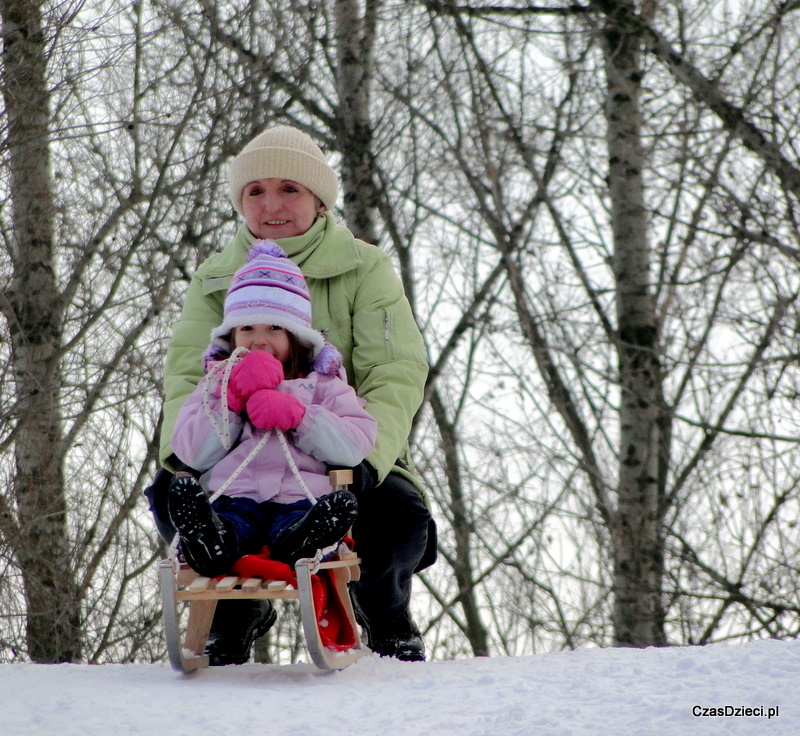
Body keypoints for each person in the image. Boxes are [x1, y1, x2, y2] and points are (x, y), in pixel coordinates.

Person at [146, 125, 436, 664]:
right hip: (236, 451)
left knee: (396, 515)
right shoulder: (216, 278)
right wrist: (185, 457)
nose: (272, 204)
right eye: (255, 191)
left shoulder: (363, 267)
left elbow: (394, 372)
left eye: (289, 189)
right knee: (172, 495)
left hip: (338, 440)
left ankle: (383, 607)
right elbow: (187, 377)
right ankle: (236, 612)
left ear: (319, 199)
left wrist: (362, 459)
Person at [167, 240, 377, 580]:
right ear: (231, 336)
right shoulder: (215, 386)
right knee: (231, 524)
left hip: (300, 497)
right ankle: (208, 542)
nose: (259, 340)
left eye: (274, 328)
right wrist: (232, 401)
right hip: (234, 498)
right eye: (246, 328)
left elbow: (355, 445)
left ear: (297, 336)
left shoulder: (321, 384)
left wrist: (300, 416)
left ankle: (303, 541)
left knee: (297, 520)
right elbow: (191, 452)